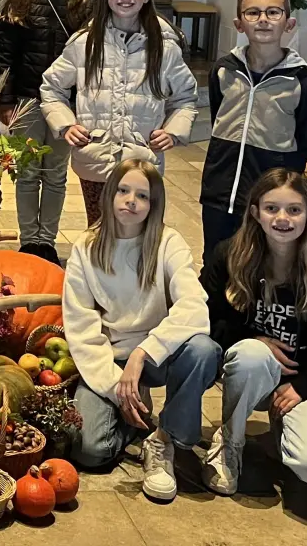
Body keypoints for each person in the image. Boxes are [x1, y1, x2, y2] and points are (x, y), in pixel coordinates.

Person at [199, 168, 307, 497]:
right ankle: (230, 441)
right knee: (251, 355)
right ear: (255, 213)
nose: (283, 218)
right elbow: (201, 320)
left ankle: (290, 429)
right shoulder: (229, 258)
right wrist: (249, 340)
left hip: (303, 383)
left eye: (294, 209)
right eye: (272, 208)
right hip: (247, 371)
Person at [62, 158, 220, 502]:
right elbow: (82, 330)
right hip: (111, 358)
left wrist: (143, 353)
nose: (131, 201)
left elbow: (195, 307)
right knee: (90, 451)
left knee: (204, 349)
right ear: (109, 195)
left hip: (157, 355)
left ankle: (164, 438)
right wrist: (116, 388)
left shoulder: (168, 243)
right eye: (123, 190)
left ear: (154, 204)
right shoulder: (86, 249)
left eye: (142, 195)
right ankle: (133, 416)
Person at [40, 0, 198, 227]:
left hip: (142, 163)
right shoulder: (85, 43)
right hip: (95, 160)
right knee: (98, 232)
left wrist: (173, 131)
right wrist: (66, 125)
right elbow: (51, 87)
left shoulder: (165, 48)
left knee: (137, 238)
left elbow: (185, 98)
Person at [0, 0, 96, 266]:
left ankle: (46, 241)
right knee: (27, 171)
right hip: (27, 98)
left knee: (55, 172)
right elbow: (3, 52)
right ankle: (28, 240)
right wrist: (4, 100)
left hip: (68, 103)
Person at [200, 0, 307, 257]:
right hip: (221, 191)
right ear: (239, 24)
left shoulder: (303, 81)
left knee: (262, 263)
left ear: (288, 24)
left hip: (270, 196)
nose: (263, 20)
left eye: (273, 12)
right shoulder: (223, 71)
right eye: (253, 13)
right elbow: (218, 117)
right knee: (215, 260)